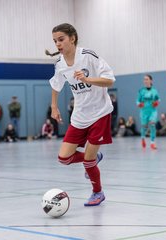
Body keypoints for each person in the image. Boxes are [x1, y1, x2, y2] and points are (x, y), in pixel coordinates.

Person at [46, 23, 115, 206]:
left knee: (88, 160)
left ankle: (97, 192)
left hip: (100, 113)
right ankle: (93, 159)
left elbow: (109, 80)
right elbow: (55, 84)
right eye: (55, 41)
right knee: (64, 158)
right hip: (79, 116)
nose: (58, 44)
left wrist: (87, 79)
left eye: (61, 39)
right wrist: (54, 106)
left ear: (72, 38)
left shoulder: (88, 56)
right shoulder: (60, 64)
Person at [137, 74, 160, 150]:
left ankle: (152, 143)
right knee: (144, 127)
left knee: (152, 124)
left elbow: (158, 99)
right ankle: (143, 138)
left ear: (151, 80)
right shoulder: (141, 91)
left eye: (147, 79)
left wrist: (157, 102)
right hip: (144, 111)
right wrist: (139, 104)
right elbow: (137, 100)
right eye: (144, 79)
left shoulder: (155, 91)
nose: (145, 81)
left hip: (152, 111)